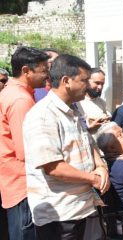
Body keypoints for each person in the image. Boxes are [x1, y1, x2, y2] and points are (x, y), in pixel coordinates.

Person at [23, 54, 110, 240]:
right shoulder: (43, 115)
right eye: (84, 80)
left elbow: (88, 140)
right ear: (66, 81)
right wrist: (92, 179)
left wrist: (100, 165)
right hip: (61, 215)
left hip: (84, 207)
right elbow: (53, 167)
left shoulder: (74, 109)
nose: (88, 85)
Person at [0, 46, 50, 240]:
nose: (47, 75)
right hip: (23, 186)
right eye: (43, 70)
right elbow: (26, 151)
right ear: (26, 71)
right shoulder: (20, 99)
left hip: (14, 183)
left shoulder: (11, 92)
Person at [76, 68, 111, 138]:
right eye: (97, 83)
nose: (100, 87)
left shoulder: (102, 102)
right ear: (87, 81)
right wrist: (90, 129)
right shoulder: (77, 102)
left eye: (102, 84)